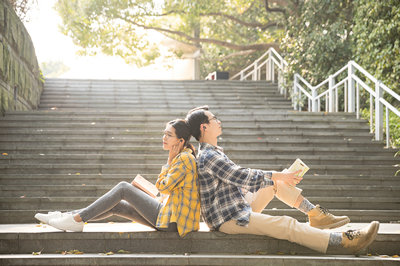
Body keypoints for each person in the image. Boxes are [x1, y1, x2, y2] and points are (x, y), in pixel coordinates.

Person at [185, 106, 379, 253]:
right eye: (214, 119)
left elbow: (235, 185)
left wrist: (278, 178)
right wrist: (279, 175)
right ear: (204, 127)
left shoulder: (213, 153)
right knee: (287, 224)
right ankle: (344, 240)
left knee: (275, 182)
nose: (218, 121)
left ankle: (314, 214)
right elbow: (241, 176)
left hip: (237, 208)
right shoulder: (209, 157)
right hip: (229, 219)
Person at [34, 119, 200, 238]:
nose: (164, 137)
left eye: (169, 135)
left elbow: (163, 187)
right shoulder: (182, 157)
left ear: (180, 141)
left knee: (123, 188)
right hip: (168, 217)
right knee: (117, 206)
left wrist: (168, 161)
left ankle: (76, 219)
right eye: (164, 133)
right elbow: (168, 192)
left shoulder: (184, 159)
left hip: (173, 222)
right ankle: (65, 217)